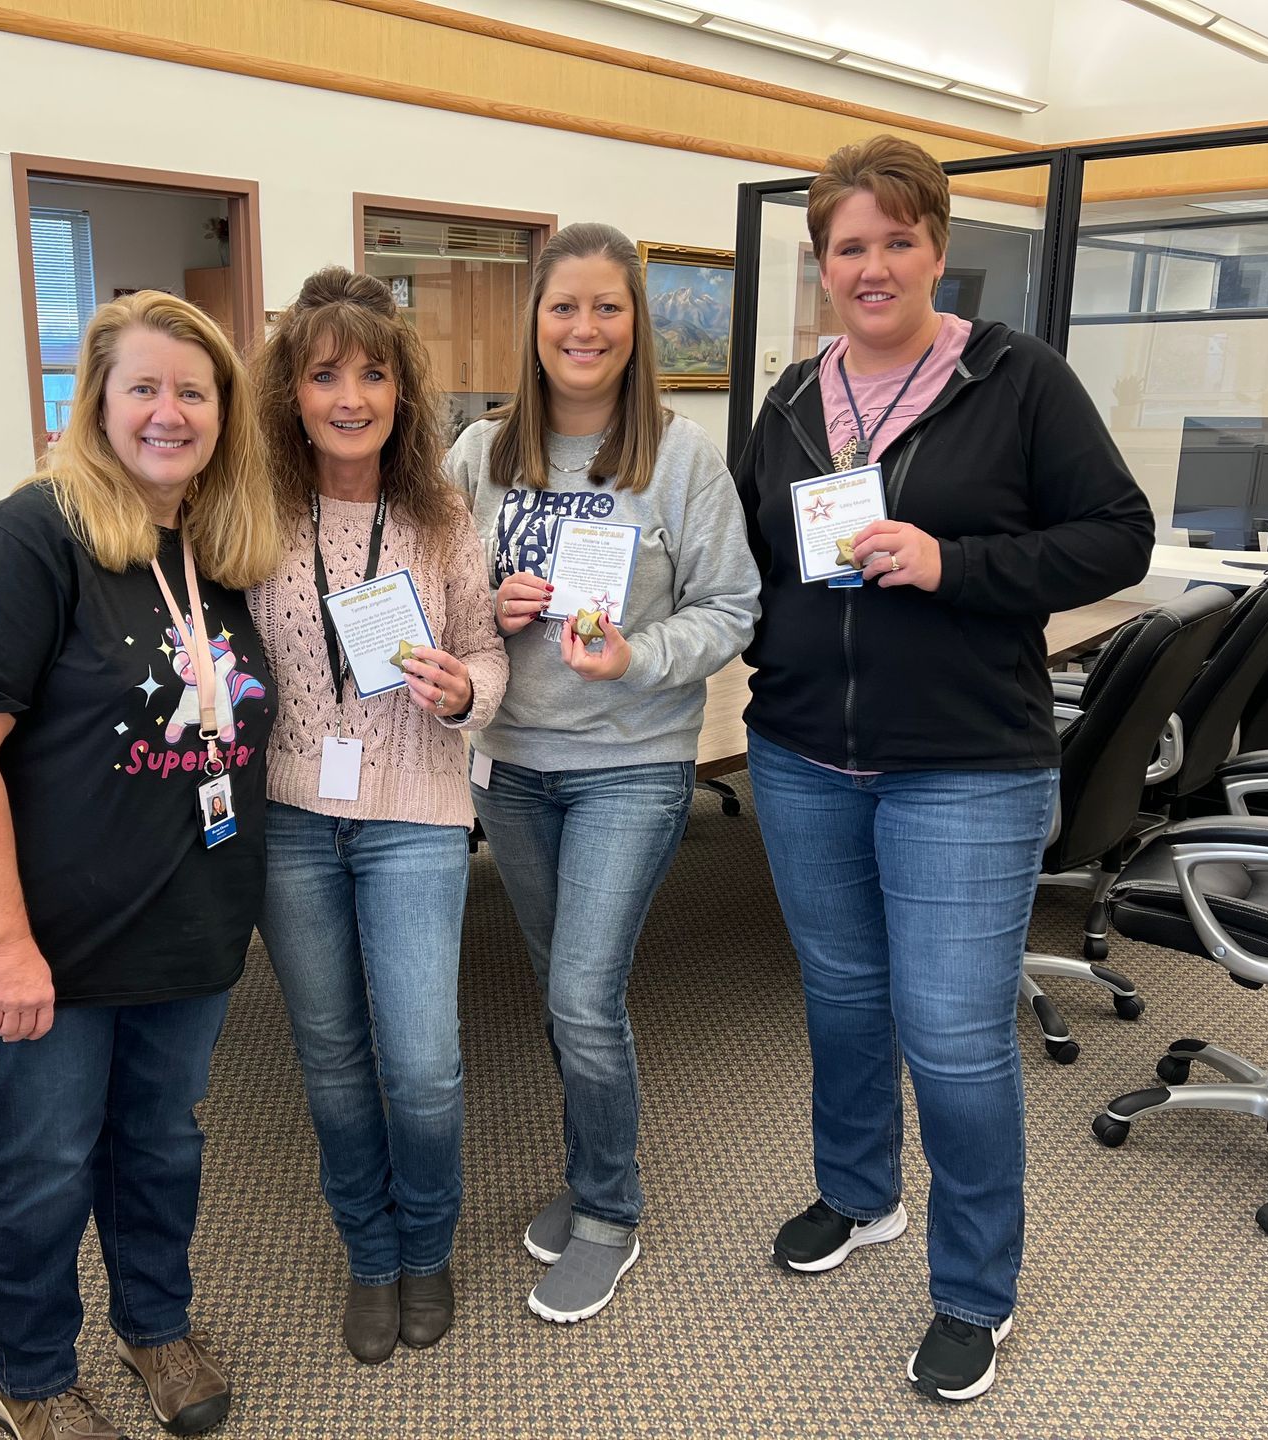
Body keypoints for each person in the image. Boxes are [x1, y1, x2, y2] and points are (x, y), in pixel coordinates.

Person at [733, 135, 1154, 1403]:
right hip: (805, 750)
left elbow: (1117, 537)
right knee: (844, 1003)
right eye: (847, 247)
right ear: (822, 266)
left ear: (936, 248)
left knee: (957, 1040)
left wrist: (955, 565)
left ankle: (975, 1288)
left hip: (964, 763)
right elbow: (755, 560)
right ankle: (861, 1196)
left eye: (895, 241)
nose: (873, 267)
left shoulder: (1015, 380)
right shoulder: (793, 401)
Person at [0, 291, 281, 1440]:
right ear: (96, 404)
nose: (169, 412)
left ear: (224, 413)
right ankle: (32, 1379)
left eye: (194, 391)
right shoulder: (23, 538)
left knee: (161, 1146)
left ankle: (154, 1327)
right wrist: (7, 947)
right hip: (45, 940)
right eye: (144, 388)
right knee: (43, 1166)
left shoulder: (211, 548)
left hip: (184, 921)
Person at [446, 222, 761, 1325]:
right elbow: (434, 593)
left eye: (608, 308)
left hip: (630, 763)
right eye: (563, 307)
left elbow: (734, 608)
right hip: (512, 766)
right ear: (533, 324)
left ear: (638, 326)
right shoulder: (478, 456)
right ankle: (589, 1176)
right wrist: (483, 607)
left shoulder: (681, 459)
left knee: (583, 993)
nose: (585, 328)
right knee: (560, 994)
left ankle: (609, 1211)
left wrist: (639, 655)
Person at [248, 267, 507, 1364]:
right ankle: (368, 1254)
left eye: (372, 373)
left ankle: (426, 1246)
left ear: (403, 392)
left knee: (424, 1060)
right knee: (332, 1054)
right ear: (292, 393)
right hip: (292, 815)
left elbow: (489, 652)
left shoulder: (444, 520)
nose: (349, 396)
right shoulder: (247, 513)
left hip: (417, 812)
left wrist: (467, 691)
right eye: (324, 375)